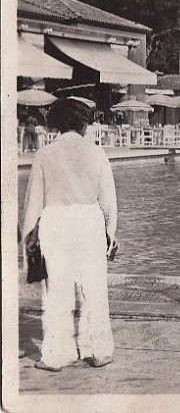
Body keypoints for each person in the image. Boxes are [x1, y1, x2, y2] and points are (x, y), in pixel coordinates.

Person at [20, 97, 118, 371]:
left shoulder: (45, 154)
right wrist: (111, 234)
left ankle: (57, 354)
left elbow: (33, 203)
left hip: (56, 221)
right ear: (83, 124)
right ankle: (99, 349)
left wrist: (28, 239)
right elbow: (108, 202)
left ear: (55, 124)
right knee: (95, 288)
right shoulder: (97, 153)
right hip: (89, 220)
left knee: (57, 291)